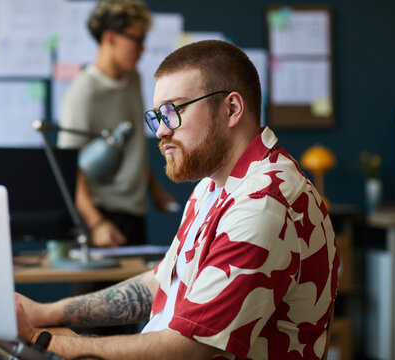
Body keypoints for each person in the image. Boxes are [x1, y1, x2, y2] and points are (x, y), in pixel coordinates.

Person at [17, 40, 340, 359]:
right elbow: (164, 282)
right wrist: (47, 313)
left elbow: (185, 350)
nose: (160, 131)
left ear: (231, 109)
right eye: (158, 115)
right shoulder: (214, 186)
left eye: (173, 111)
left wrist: (40, 339)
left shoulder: (263, 204)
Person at [56, 0, 176, 336]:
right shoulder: (84, 91)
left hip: (132, 212)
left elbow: (137, 142)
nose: (142, 49)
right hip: (100, 218)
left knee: (132, 323)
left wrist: (153, 188)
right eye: (136, 39)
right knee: (96, 326)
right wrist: (96, 224)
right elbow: (71, 170)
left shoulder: (133, 78)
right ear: (110, 37)